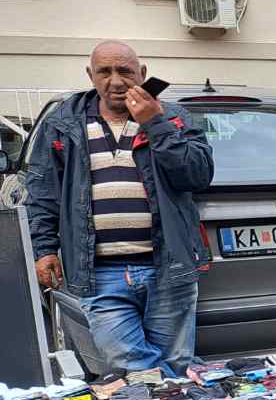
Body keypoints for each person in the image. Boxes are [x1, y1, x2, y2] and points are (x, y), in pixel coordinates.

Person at [27, 41, 213, 374]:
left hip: (167, 266)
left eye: (125, 71)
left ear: (142, 74)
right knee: (127, 363)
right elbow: (43, 192)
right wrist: (44, 249)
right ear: (91, 75)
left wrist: (155, 124)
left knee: (175, 360)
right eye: (104, 72)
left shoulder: (174, 118)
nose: (115, 81)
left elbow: (196, 175)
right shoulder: (63, 124)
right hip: (100, 273)